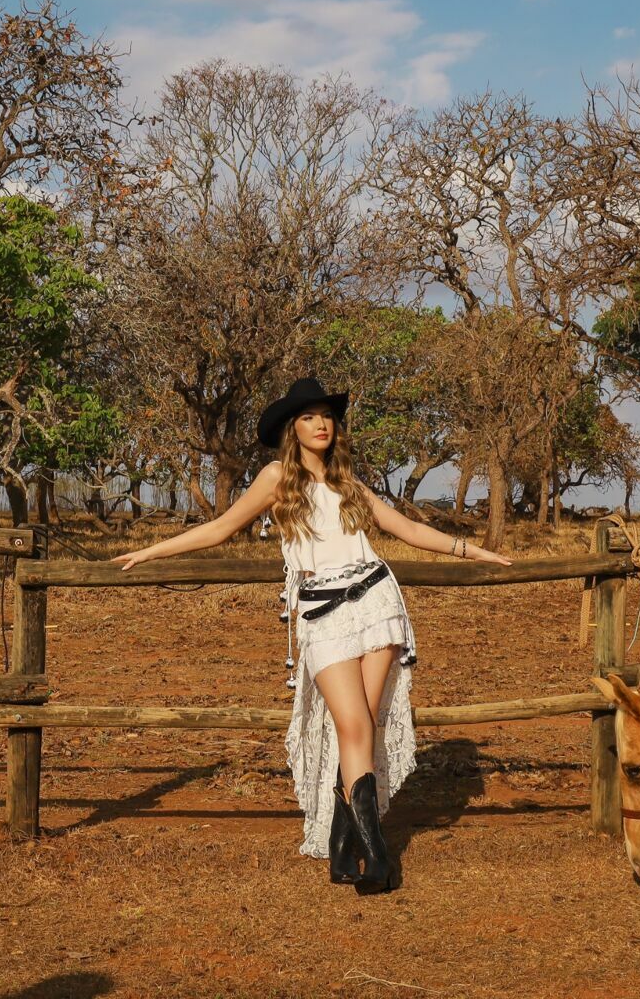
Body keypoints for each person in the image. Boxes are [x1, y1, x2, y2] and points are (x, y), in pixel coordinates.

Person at [112, 376, 511, 893]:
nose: (321, 424)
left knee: (363, 728)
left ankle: (347, 852)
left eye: (326, 415)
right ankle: (379, 857)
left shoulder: (349, 482)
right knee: (353, 724)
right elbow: (221, 528)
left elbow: (408, 530)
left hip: (376, 603)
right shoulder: (277, 477)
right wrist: (151, 550)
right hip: (322, 615)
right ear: (292, 429)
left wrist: (474, 551)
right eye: (308, 417)